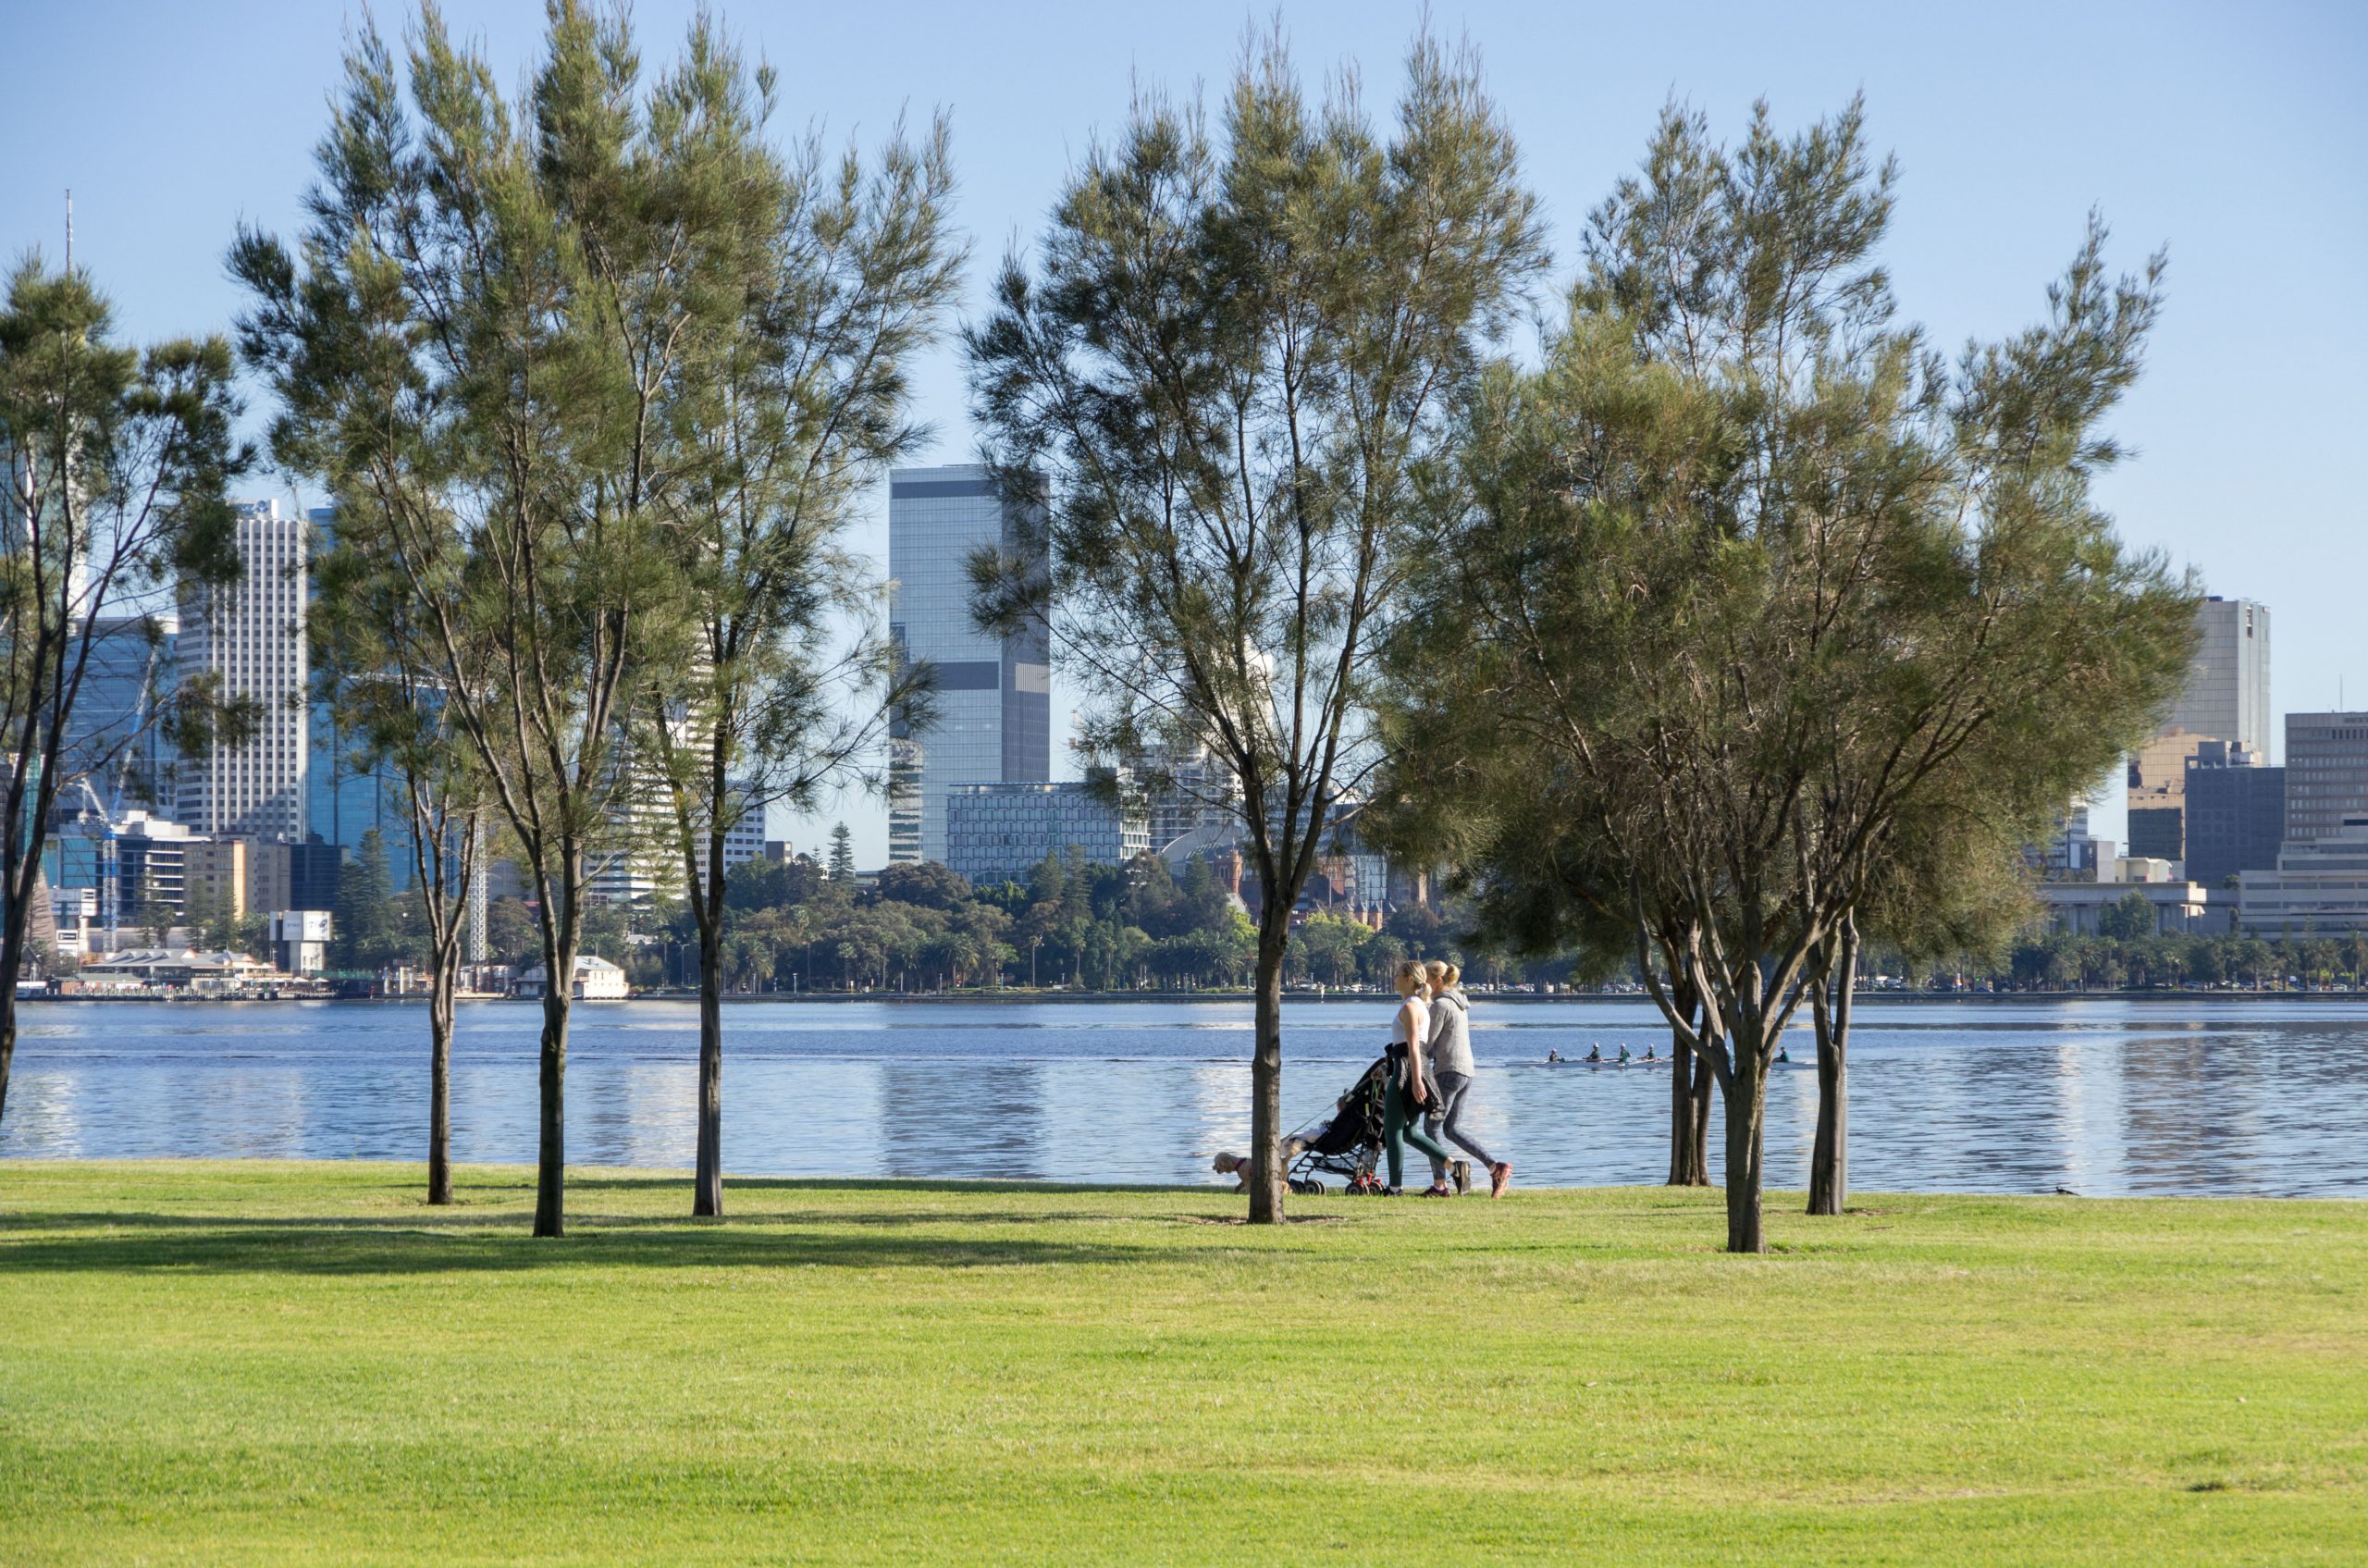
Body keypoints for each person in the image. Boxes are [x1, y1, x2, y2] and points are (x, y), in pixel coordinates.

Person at [1422, 960, 1511, 1198]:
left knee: (1430, 1128)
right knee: (1451, 1128)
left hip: (1448, 1071)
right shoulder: (1459, 1003)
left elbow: (1429, 1045)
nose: (1424, 984)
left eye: (1427, 979)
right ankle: (1495, 1167)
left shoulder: (1440, 1005)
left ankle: (1440, 1185)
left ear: (1438, 981)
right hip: (1466, 1071)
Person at [1382, 958, 1456, 1196]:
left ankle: (1394, 1188)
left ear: (1409, 979)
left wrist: (1415, 1081)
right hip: (1418, 1066)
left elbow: (1413, 1045)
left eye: (1397, 974)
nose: (1394, 978)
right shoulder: (1419, 1005)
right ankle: (1454, 1166)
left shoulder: (1410, 1007)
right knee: (1409, 1131)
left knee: (1392, 1129)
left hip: (1407, 1068)